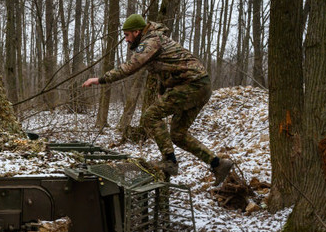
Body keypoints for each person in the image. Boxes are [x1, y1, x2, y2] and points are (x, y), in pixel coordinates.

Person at [83, 13, 233, 185]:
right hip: (199, 85)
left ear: (137, 32)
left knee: (150, 115)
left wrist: (100, 79)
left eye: (127, 35)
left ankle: (169, 161)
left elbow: (130, 67)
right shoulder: (155, 40)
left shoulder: (151, 41)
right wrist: (163, 89)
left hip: (193, 85)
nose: (126, 40)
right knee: (178, 134)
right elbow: (167, 67)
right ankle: (218, 164)